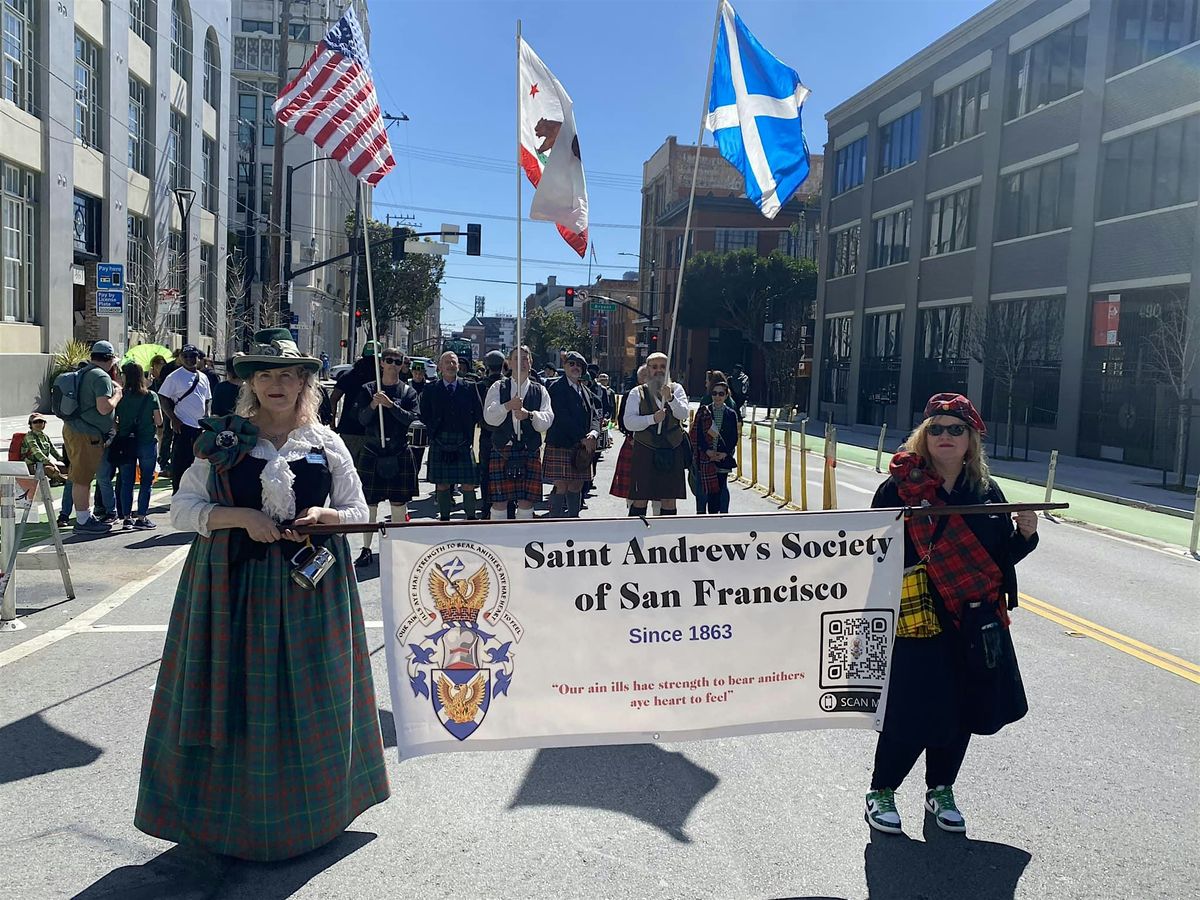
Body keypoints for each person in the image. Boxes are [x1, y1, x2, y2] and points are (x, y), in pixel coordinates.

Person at [137, 328, 389, 860]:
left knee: (310, 698)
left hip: (312, 593)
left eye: (288, 374)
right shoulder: (224, 439)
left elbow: (358, 511)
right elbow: (182, 509)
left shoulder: (326, 443)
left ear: (304, 382)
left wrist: (326, 517)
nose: (277, 384)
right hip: (231, 587)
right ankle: (231, 820)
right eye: (266, 374)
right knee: (234, 697)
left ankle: (314, 817)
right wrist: (241, 517)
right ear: (251, 382)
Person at [864, 392, 1038, 837]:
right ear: (924, 436)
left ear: (970, 439)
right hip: (916, 616)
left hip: (975, 618)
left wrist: (1026, 535)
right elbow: (870, 552)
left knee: (962, 707)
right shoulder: (897, 488)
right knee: (912, 708)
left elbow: (999, 559)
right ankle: (881, 790)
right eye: (936, 428)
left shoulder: (984, 491)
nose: (945, 436)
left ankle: (941, 788)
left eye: (955, 429)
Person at [353, 349, 419, 567]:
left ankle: (397, 546)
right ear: (382, 363)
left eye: (397, 361)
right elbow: (361, 420)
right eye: (388, 360)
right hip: (373, 450)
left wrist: (391, 405)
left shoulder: (408, 392)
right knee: (369, 505)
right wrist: (373, 405)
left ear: (402, 365)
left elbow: (410, 419)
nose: (392, 364)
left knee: (398, 503)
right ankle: (365, 549)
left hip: (398, 450)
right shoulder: (368, 389)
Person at [483, 346, 553, 520]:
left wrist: (529, 415)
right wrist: (508, 406)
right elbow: (489, 417)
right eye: (516, 358)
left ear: (531, 363)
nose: (521, 362)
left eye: (525, 358)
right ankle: (498, 542)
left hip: (529, 449)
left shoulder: (540, 390)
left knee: (526, 501)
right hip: (503, 449)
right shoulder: (498, 387)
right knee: (499, 502)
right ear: (509, 362)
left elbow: (547, 419)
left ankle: (523, 542)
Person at [61, 341, 122, 533]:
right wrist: (118, 394)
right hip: (86, 433)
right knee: (82, 478)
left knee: (79, 475)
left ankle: (84, 516)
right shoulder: (101, 377)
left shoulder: (85, 372)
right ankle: (82, 520)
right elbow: (104, 408)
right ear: (109, 359)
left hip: (74, 428)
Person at [623, 352, 689, 517]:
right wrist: (652, 419)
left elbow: (683, 414)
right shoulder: (637, 393)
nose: (658, 371)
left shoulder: (677, 389)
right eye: (654, 367)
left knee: (668, 499)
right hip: (645, 449)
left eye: (662, 367)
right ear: (648, 370)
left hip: (671, 449)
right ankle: (635, 535)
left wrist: (671, 398)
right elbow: (629, 422)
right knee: (640, 498)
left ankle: (666, 538)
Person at [420, 351, 483, 521]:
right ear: (440, 367)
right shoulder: (430, 388)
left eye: (454, 362)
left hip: (463, 441)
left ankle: (470, 518)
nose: (451, 365)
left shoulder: (469, 387)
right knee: (442, 484)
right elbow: (424, 414)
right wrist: (433, 433)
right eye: (447, 362)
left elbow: (478, 413)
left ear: (458, 366)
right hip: (439, 441)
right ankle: (444, 519)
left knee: (469, 484)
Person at [544, 351, 601, 518]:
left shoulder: (586, 391)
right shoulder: (556, 388)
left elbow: (596, 415)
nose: (575, 367)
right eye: (572, 364)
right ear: (565, 366)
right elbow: (561, 417)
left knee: (577, 484)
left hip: (582, 447)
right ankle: (554, 520)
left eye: (579, 365)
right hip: (561, 443)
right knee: (561, 484)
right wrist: (581, 438)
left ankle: (573, 519)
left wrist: (593, 433)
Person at [113, 361, 163, 529]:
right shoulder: (151, 396)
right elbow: (159, 420)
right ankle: (141, 517)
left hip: (126, 441)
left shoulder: (120, 396)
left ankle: (126, 517)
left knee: (126, 481)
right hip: (147, 441)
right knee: (146, 481)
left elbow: (113, 421)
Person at [157, 344, 212, 494]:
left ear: (198, 358)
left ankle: (194, 492)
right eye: (186, 356)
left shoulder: (203, 377)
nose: (189, 359)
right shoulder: (174, 376)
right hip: (183, 425)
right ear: (181, 358)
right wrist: (173, 419)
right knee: (181, 461)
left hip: (199, 426)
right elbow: (162, 397)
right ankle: (177, 492)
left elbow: (207, 399)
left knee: (198, 462)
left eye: (193, 356)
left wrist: (206, 417)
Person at [691, 381, 740, 514]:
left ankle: (720, 517)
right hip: (706, 458)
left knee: (720, 487)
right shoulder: (704, 412)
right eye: (714, 393)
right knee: (705, 491)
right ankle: (705, 517)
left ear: (726, 395)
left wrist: (724, 453)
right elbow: (698, 435)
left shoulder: (731, 414)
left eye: (721, 394)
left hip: (723, 458)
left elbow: (734, 437)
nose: (717, 396)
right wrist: (707, 450)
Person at [476, 350, 507, 519]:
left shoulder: (480, 385)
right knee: (506, 472)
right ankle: (508, 506)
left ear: (487, 366)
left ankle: (486, 507)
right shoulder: (509, 384)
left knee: (486, 472)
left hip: (487, 434)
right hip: (505, 435)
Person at [609, 364, 646, 504]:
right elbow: (621, 420)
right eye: (643, 376)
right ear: (638, 379)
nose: (646, 378)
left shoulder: (659, 395)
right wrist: (630, 436)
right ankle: (631, 509)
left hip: (654, 444)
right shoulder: (630, 395)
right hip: (633, 442)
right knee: (631, 483)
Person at [20, 413, 67, 485]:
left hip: (43, 465)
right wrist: (53, 465)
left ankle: (59, 479)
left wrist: (66, 461)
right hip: (31, 466)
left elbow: (53, 451)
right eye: (35, 422)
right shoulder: (29, 436)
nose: (39, 424)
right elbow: (37, 452)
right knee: (50, 470)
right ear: (31, 424)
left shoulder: (45, 436)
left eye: (41, 422)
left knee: (66, 469)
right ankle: (64, 480)